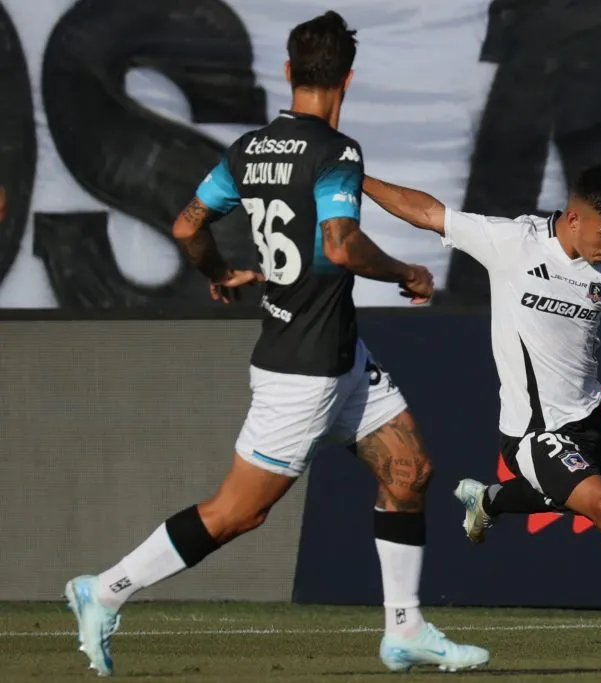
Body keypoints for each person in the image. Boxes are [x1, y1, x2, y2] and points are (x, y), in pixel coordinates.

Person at [63, 11, 489, 676]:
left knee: (409, 471)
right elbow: (340, 246)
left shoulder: (249, 150)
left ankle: (404, 629)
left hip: (340, 355)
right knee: (236, 513)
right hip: (303, 371)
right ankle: (106, 589)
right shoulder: (336, 152)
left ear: (290, 71)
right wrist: (406, 272)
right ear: (348, 78)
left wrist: (217, 271)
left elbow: (187, 226)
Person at [362, 165, 601, 642]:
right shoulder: (512, 242)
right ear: (574, 219)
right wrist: (355, 178)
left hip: (590, 422)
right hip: (532, 432)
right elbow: (431, 213)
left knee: (570, 497)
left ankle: (489, 499)